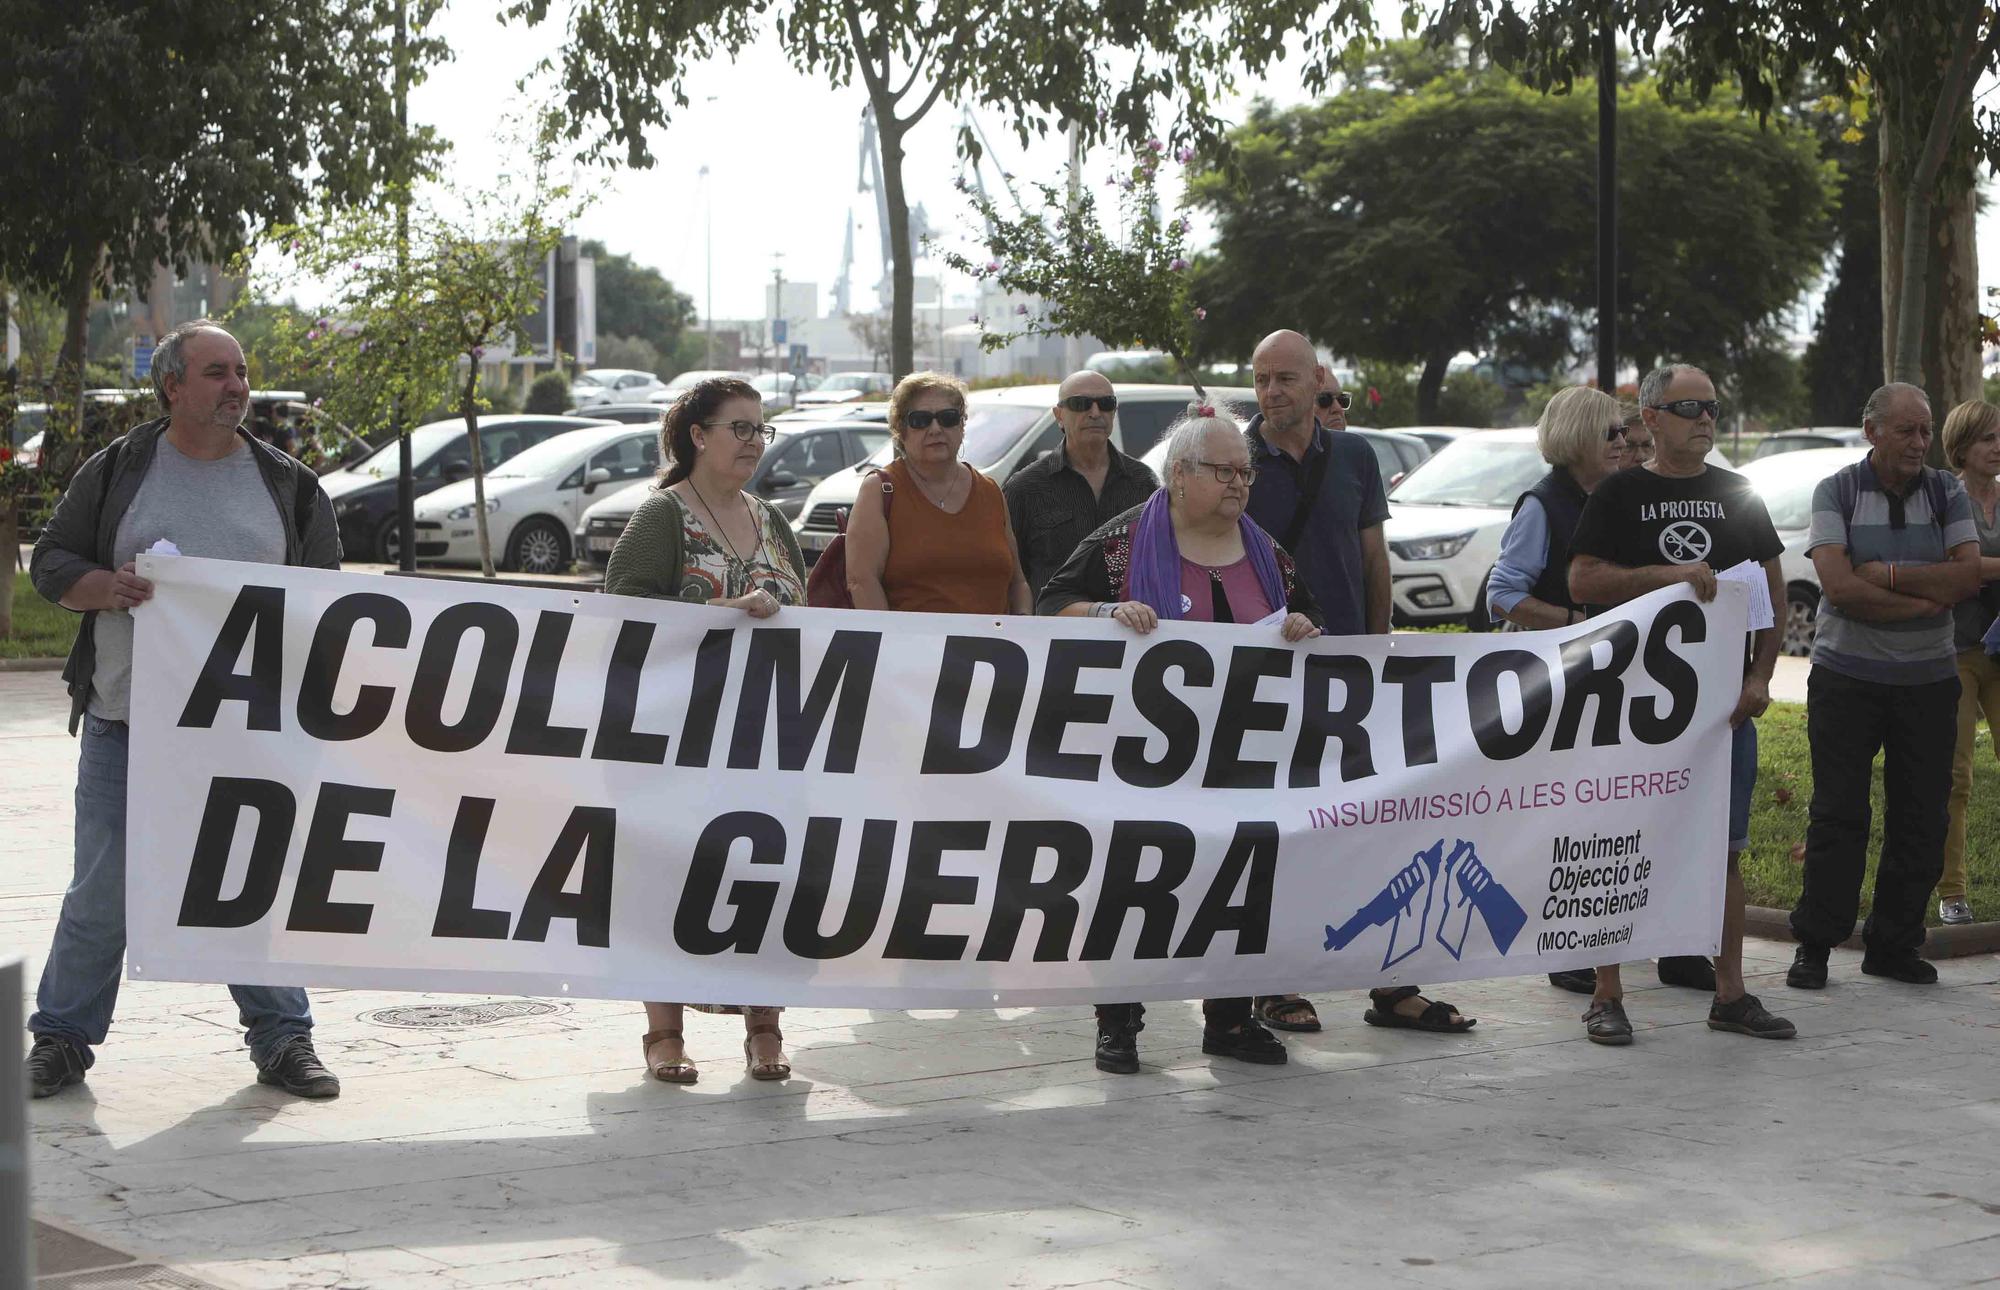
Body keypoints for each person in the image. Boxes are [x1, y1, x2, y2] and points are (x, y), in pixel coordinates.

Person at [25, 319, 344, 1100]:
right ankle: (61, 1040)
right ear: (171, 385)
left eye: (240, 371)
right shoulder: (121, 470)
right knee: (103, 892)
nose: (236, 386)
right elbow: (54, 560)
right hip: (127, 723)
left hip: (247, 733)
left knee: (247, 884)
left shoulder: (287, 485)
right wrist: (105, 588)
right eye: (215, 372)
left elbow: (332, 598)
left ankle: (283, 1040)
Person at [1039, 411, 1321, 1073]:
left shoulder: (1265, 552)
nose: (1238, 484)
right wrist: (1111, 613)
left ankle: (1230, 1020)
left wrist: (1305, 626)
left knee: (1239, 882)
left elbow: (1311, 616)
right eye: (1223, 471)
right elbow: (1050, 606)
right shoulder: (1122, 545)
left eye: (1244, 471)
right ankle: (1119, 1025)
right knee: (1131, 887)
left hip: (1244, 755)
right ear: (1179, 475)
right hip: (1142, 758)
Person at [1243, 331, 1473, 1036]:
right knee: (1280, 834)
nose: (1272, 392)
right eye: (1260, 380)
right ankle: (1272, 983)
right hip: (1264, 679)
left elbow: (1374, 558)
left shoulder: (1355, 457)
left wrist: (1380, 650)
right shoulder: (1230, 459)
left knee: (1375, 826)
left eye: (1285, 378)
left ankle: (1393, 983)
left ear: (1318, 382)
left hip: (1352, 677)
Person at [1569, 364, 1796, 1043]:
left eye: (1715, 409)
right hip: (1632, 710)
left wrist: (1760, 678)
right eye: (1691, 407)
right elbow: (1583, 579)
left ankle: (1730, 994)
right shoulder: (1618, 494)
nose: (1706, 419)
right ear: (1652, 417)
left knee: (1724, 850)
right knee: (1618, 841)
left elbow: (1772, 596)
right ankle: (1606, 994)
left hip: (1722, 712)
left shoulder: (1738, 493)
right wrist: (1667, 578)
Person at [603, 375, 806, 1083]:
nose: (754, 442)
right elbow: (622, 612)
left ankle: (765, 1028)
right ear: (697, 435)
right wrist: (722, 612)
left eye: (761, 430)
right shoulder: (663, 518)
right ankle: (664, 1036)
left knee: (765, 877)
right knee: (667, 877)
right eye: (740, 428)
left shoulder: (773, 521)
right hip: (676, 742)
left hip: (766, 739)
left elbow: (808, 618)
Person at [1788, 382, 1980, 987]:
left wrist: (1890, 576)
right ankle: (1815, 945)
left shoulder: (1947, 490)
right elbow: (1838, 589)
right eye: (1907, 430)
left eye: (1926, 430)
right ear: (1871, 431)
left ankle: (1893, 944)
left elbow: (1968, 575)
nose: (1921, 442)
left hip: (1928, 681)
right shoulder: (1836, 490)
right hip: (1847, 679)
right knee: (1839, 813)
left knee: (1922, 817)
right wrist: (1925, 600)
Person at [846, 371, 1032, 615]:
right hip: (912, 648)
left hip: (993, 649)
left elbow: (1017, 582)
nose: (935, 429)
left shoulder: (990, 490)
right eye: (921, 420)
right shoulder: (880, 490)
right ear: (901, 430)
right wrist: (892, 643)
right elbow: (862, 581)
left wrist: (1024, 630)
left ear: (962, 426)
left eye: (948, 418)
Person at [1003, 370, 1159, 597]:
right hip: (1052, 627)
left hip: (1128, 627)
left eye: (1106, 403)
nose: (1095, 413)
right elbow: (1011, 575)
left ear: (1114, 412)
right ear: (1058, 415)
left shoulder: (1143, 483)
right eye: (1080, 404)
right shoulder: (1025, 488)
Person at [1939, 400, 2000, 925]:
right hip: (1956, 651)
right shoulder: (1945, 496)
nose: (1998, 446)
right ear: (1963, 445)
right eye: (1988, 438)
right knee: (1956, 777)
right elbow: (1957, 568)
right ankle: (1952, 891)